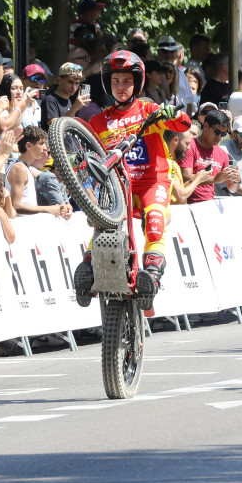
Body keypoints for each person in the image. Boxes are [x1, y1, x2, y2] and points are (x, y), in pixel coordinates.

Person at [72, 50, 190, 308]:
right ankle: (89, 267)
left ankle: (152, 273)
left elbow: (184, 125)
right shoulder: (98, 121)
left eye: (127, 81)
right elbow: (87, 158)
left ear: (136, 82)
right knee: (104, 227)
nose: (121, 86)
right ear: (108, 83)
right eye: (116, 81)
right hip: (118, 186)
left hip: (152, 181)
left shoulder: (149, 109)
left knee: (155, 222)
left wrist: (171, 114)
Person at [6, 126, 72, 218]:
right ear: (28, 146)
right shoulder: (19, 169)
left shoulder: (23, 167)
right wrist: (47, 209)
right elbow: (15, 205)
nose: (45, 148)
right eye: (41, 143)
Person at [179, 113, 238, 203]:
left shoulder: (222, 154)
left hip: (209, 204)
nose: (219, 137)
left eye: (223, 133)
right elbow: (185, 176)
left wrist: (236, 180)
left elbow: (232, 188)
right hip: (188, 204)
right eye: (217, 132)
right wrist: (214, 179)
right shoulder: (189, 146)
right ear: (206, 126)